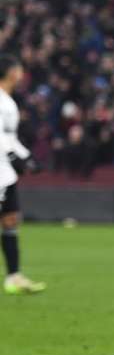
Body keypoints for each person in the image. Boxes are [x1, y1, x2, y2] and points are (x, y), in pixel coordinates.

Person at [0, 55, 45, 296]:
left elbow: (9, 138)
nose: (22, 73)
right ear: (10, 72)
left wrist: (27, 157)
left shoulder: (8, 101)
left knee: (10, 220)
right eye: (19, 69)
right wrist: (13, 156)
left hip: (5, 173)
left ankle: (14, 277)